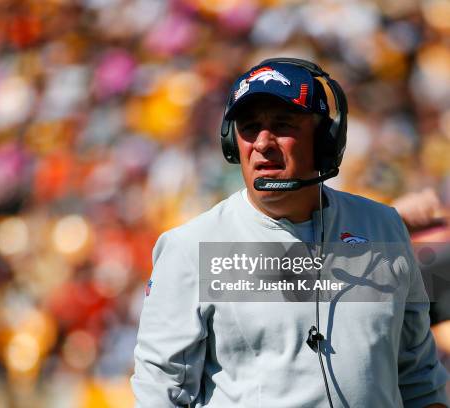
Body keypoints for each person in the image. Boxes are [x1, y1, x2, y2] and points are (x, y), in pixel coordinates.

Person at [131, 58, 448, 407]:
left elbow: (419, 377)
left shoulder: (384, 227)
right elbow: (159, 392)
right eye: (249, 128)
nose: (263, 143)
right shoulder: (191, 247)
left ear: (326, 139)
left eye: (282, 124)